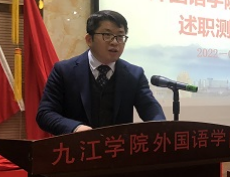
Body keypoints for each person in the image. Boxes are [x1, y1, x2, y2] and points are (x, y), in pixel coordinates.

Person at [36, 10, 166, 136]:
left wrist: (161, 128)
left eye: (120, 36)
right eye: (107, 35)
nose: (115, 42)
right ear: (89, 39)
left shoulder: (134, 74)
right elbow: (45, 114)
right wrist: (75, 128)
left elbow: (151, 109)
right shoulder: (64, 71)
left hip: (117, 147)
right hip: (77, 147)